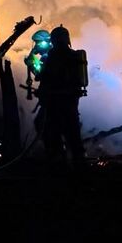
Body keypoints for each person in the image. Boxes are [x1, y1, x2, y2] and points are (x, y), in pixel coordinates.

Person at [35, 25, 87, 170]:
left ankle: (58, 161)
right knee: (72, 133)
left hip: (55, 102)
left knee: (46, 127)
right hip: (70, 101)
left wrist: (42, 90)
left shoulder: (54, 56)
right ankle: (78, 164)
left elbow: (45, 77)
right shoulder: (73, 56)